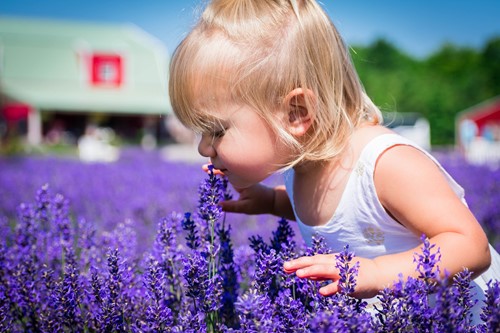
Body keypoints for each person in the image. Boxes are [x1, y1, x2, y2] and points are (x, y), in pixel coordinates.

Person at [169, 0, 500, 320]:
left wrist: (376, 271)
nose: (203, 148)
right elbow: (334, 210)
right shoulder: (301, 167)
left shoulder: (387, 165)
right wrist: (271, 201)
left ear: (295, 114)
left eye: (216, 130)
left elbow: (470, 246)